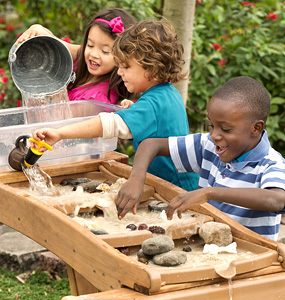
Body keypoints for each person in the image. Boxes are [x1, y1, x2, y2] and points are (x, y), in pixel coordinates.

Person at [31, 19, 199, 191]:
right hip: (176, 182)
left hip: (174, 189)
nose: (119, 72)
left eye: (125, 66)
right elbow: (155, 122)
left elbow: (109, 124)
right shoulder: (168, 93)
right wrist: (134, 108)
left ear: (152, 69)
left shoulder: (152, 104)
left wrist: (60, 133)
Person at [116, 76, 285, 241]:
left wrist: (208, 193)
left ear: (256, 128)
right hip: (206, 247)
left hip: (251, 258)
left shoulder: (271, 163)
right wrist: (136, 179)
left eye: (225, 129)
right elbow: (150, 144)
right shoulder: (208, 146)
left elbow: (276, 200)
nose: (214, 135)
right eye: (211, 125)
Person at [15, 8, 137, 104]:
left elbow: (64, 126)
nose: (94, 54)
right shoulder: (84, 62)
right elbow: (61, 45)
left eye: (105, 51)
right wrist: (37, 28)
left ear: (123, 57)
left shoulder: (96, 99)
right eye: (90, 45)